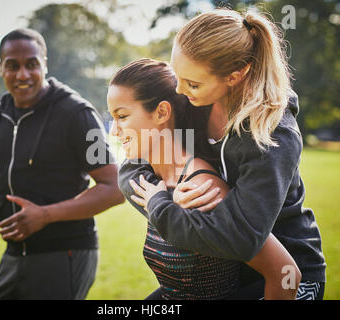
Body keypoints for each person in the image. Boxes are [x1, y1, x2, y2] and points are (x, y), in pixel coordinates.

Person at [122, 9, 326, 300]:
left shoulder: (273, 135)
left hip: (285, 276)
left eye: (192, 83)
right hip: (219, 273)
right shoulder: (189, 98)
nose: (178, 90)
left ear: (235, 75)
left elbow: (242, 239)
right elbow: (132, 164)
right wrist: (170, 194)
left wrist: (163, 210)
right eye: (177, 75)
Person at [109, 58, 301, 300]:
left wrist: (163, 207)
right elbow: (126, 173)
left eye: (122, 116)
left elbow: (286, 274)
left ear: (161, 112)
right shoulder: (154, 180)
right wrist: (164, 202)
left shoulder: (202, 189)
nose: (113, 131)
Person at [0, 28, 125, 300]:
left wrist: (45, 215)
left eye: (32, 64)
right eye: (12, 65)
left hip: (65, 252)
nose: (22, 74)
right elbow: (2, 180)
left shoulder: (78, 114)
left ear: (45, 65)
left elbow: (114, 187)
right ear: (0, 68)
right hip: (14, 252)